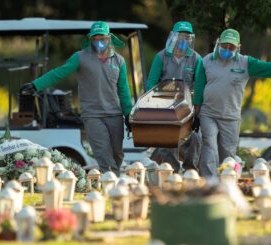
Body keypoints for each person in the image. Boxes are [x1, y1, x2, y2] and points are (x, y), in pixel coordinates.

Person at [20, 21, 132, 175]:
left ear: (109, 38)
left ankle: (113, 180)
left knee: (117, 154)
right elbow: (59, 72)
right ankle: (111, 184)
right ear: (90, 39)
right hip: (92, 115)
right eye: (95, 38)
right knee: (103, 153)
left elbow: (124, 90)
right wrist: (36, 84)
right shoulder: (80, 57)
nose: (99, 42)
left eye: (103, 38)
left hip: (114, 114)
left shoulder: (119, 61)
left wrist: (129, 115)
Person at [193, 28, 271, 176]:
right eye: (224, 46)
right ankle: (209, 182)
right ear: (218, 43)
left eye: (231, 47)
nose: (227, 49)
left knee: (228, 152)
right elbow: (199, 87)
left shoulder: (245, 63)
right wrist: (196, 113)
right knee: (209, 146)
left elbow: (266, 67)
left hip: (230, 116)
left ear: (238, 47)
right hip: (208, 113)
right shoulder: (207, 61)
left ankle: (227, 180)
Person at [146, 21, 206, 172]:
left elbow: (199, 85)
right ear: (173, 37)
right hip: (164, 107)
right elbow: (151, 82)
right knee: (166, 142)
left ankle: (190, 170)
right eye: (180, 37)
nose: (183, 41)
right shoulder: (161, 57)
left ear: (191, 39)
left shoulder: (196, 59)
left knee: (195, 140)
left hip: (187, 108)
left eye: (187, 37)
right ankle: (171, 171)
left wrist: (197, 107)